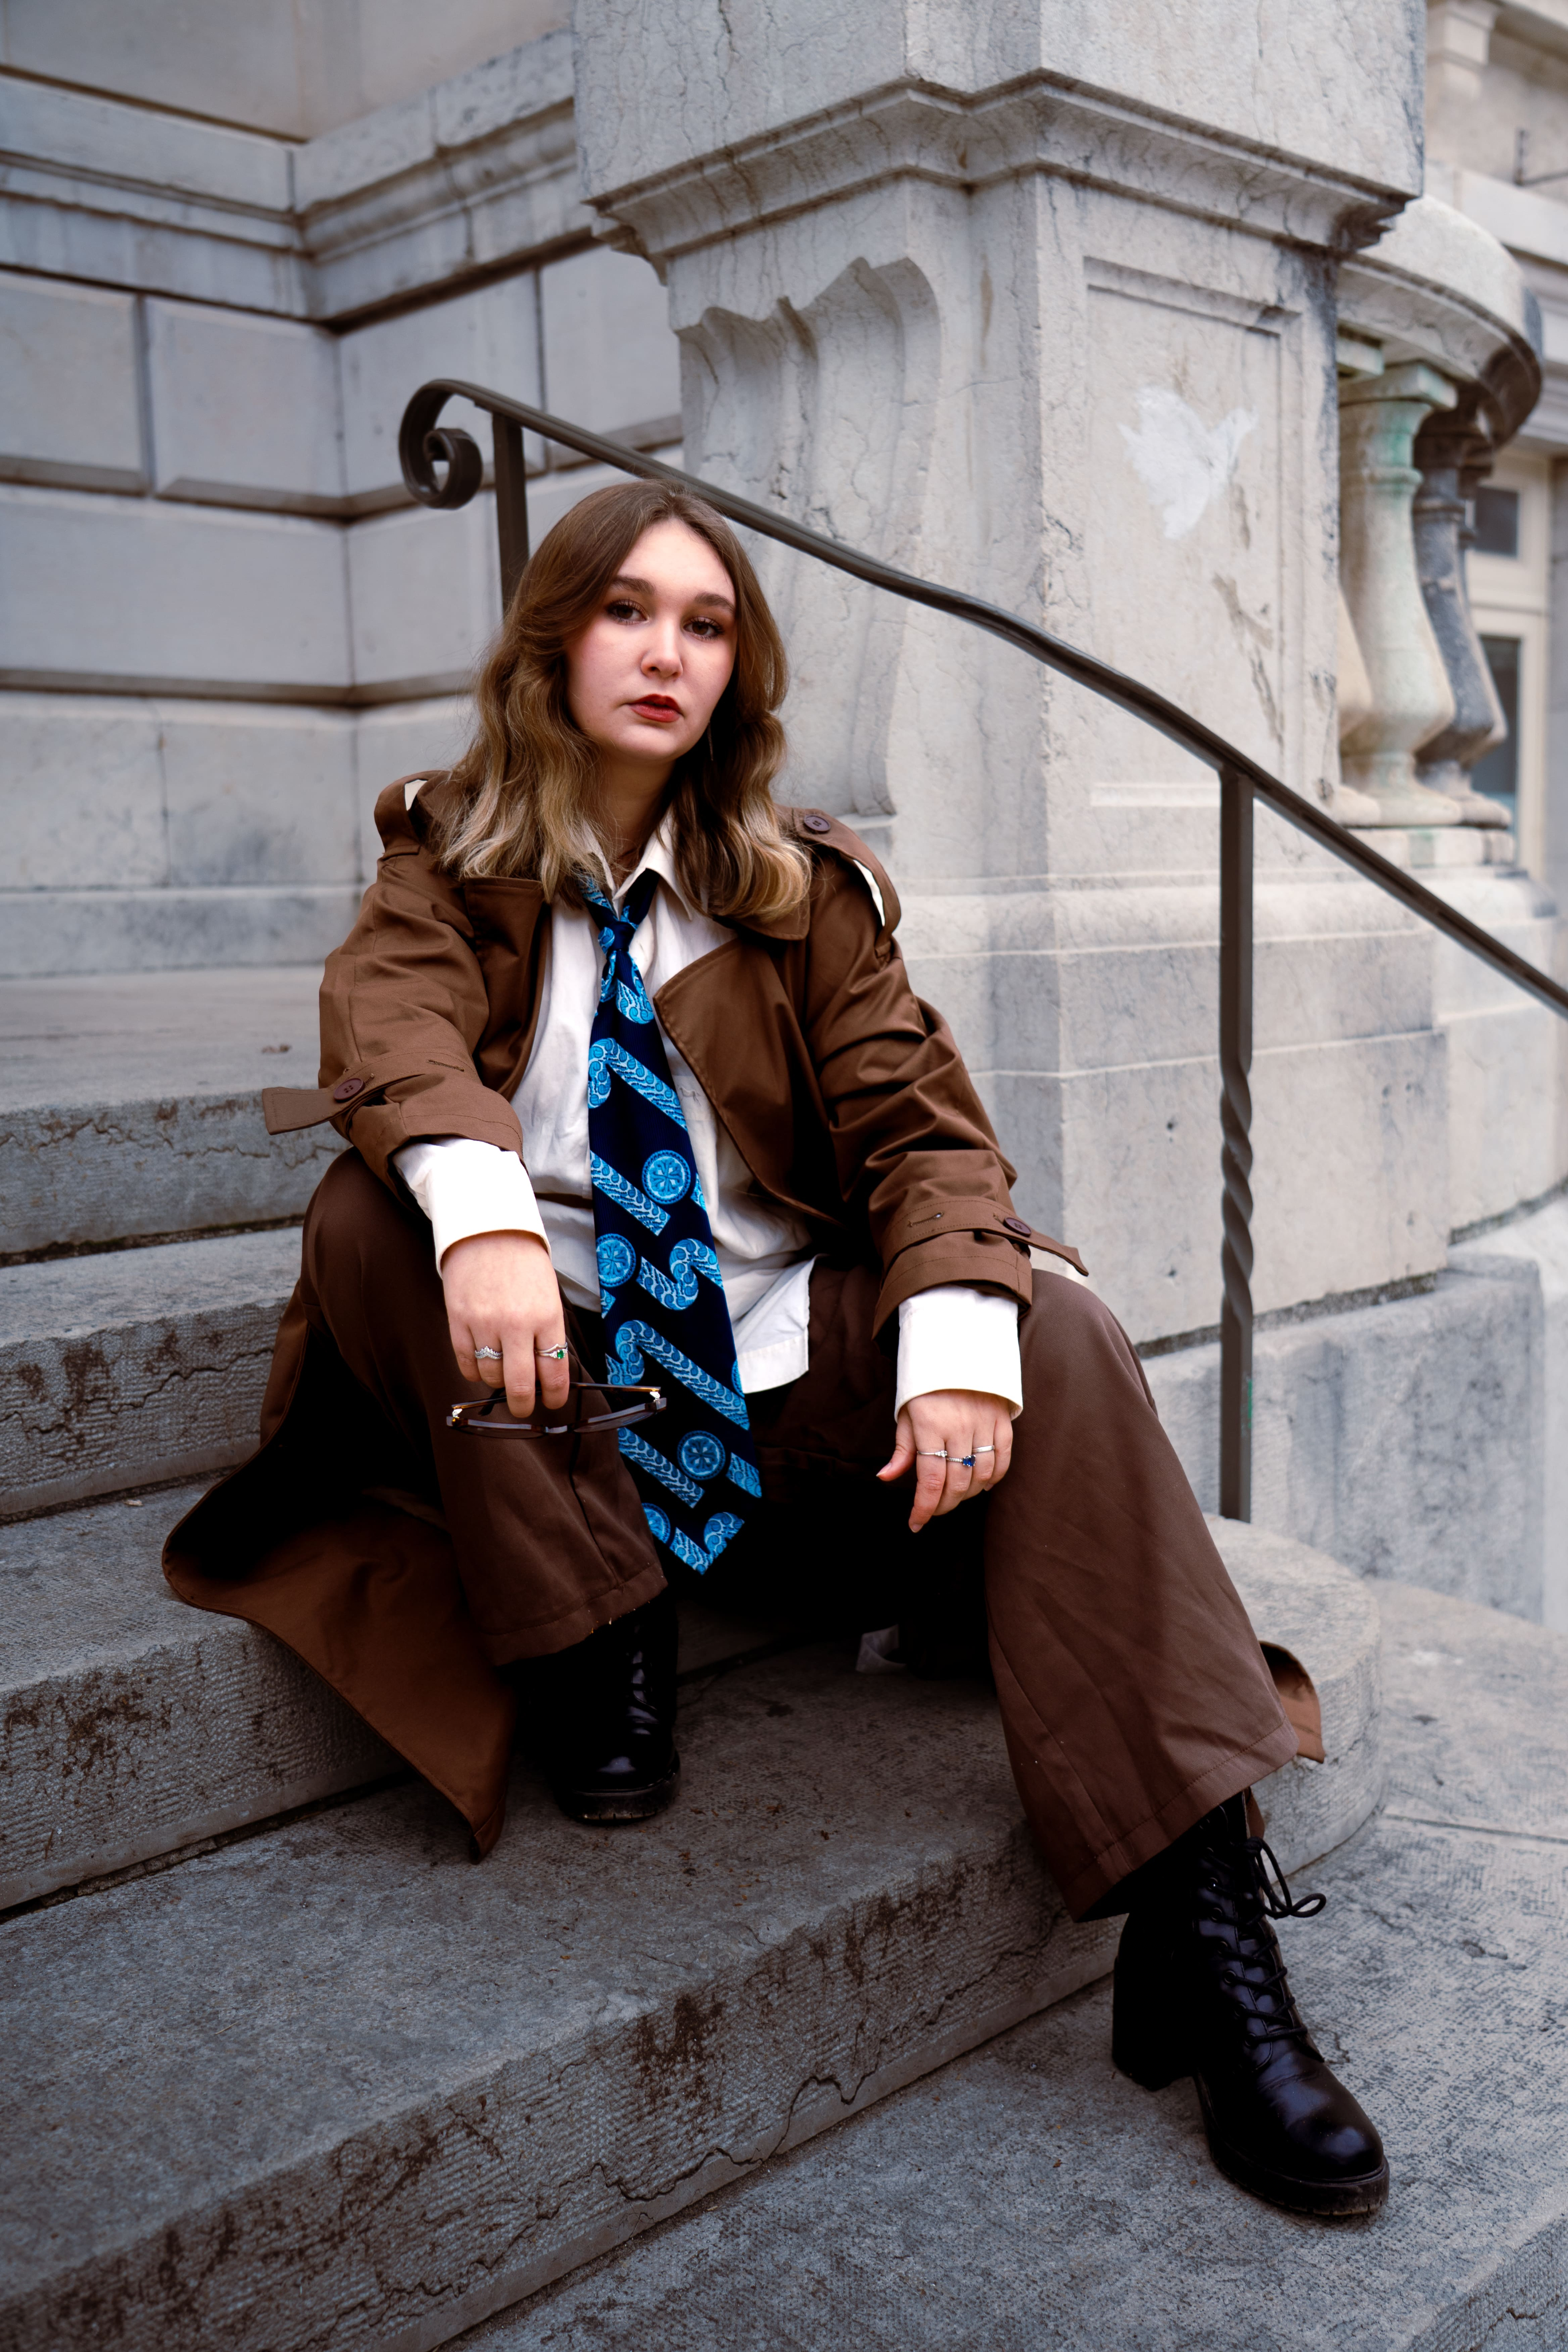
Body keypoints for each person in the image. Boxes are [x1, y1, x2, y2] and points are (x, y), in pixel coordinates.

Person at [166, 479, 1388, 2219]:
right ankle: (598, 1629)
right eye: (626, 610)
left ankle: (1202, 1925)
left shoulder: (801, 890)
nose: (664, 651)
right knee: (371, 1214)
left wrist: (955, 1337)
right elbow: (388, 1034)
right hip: (555, 1398)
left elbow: (927, 1137)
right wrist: (486, 1213)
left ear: (737, 670)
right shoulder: (444, 854)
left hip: (775, 1385)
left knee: (1052, 1324)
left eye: (706, 622)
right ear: (554, 640)